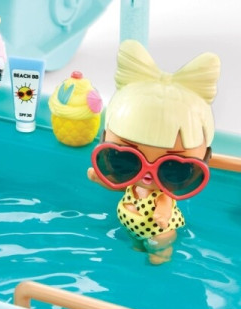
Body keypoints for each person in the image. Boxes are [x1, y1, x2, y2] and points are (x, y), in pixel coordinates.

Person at [88, 39, 220, 264]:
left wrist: (162, 214)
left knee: (158, 248)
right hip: (134, 226)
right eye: (127, 160)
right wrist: (100, 178)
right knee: (136, 246)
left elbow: (164, 205)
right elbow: (117, 186)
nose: (148, 173)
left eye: (172, 168)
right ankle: (138, 248)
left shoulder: (163, 194)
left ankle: (161, 255)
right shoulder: (133, 183)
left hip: (159, 231)